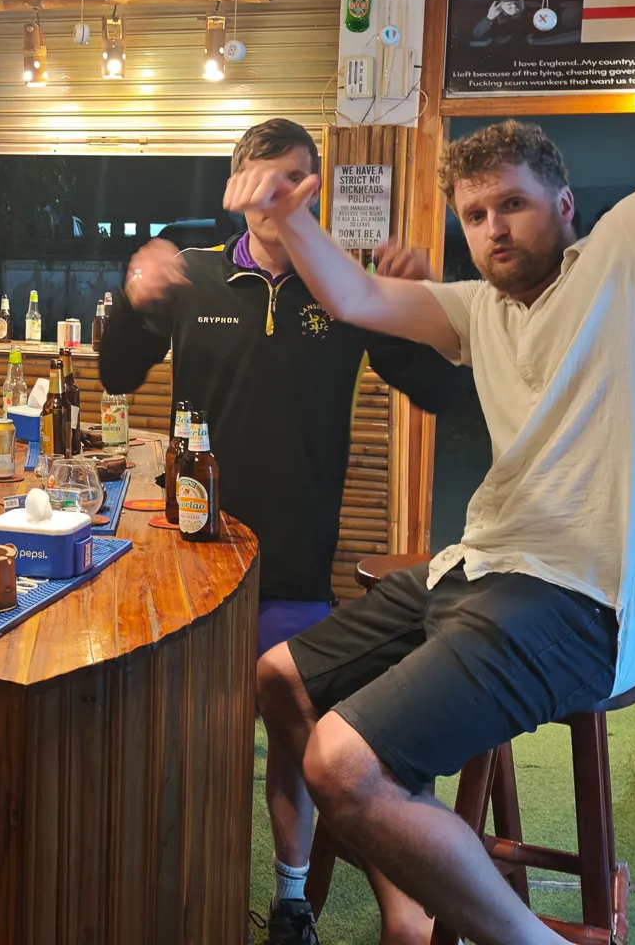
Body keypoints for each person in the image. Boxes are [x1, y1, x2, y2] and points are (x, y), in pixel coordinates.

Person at [232, 0, 635, 945]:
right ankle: (408, 905)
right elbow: (358, 301)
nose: (492, 230)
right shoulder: (475, 307)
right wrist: (286, 215)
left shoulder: (631, 258)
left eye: (511, 207)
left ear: (564, 205)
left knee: (340, 762)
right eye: (473, 216)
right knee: (277, 677)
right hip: (483, 568)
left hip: (585, 597)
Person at [102, 117, 463, 663]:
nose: (275, 198)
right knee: (198, 716)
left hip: (299, 556)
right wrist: (134, 295)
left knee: (289, 708)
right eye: (263, 181)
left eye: (291, 181)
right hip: (198, 536)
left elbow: (439, 391)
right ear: (239, 188)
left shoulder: (348, 289)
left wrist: (421, 303)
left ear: (313, 189)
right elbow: (117, 376)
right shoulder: (190, 275)